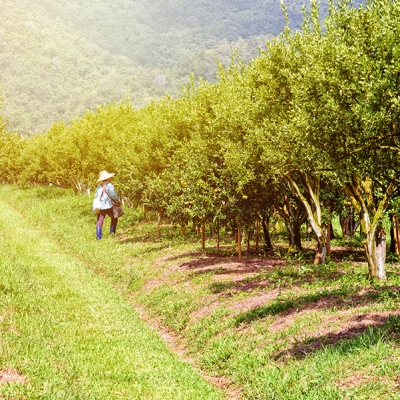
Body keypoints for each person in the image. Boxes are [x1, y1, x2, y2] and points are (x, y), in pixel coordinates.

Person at [94, 170, 121, 239]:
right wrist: (118, 200)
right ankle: (112, 234)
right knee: (114, 218)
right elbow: (113, 194)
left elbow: (96, 196)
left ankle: (98, 237)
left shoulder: (99, 187)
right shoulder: (109, 185)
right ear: (108, 178)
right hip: (109, 205)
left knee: (100, 221)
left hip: (100, 206)